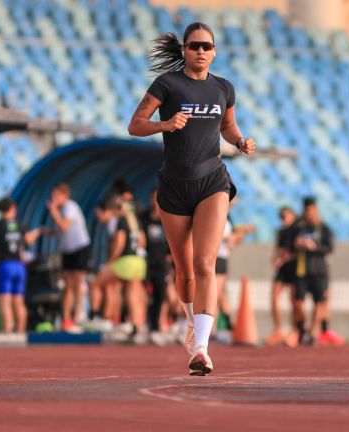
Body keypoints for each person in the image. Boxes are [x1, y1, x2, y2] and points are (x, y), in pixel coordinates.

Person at [128, 22, 255, 375]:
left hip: (212, 182)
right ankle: (190, 323)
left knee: (204, 264)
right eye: (195, 45)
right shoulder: (168, 84)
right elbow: (135, 124)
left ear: (214, 51)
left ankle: (201, 348)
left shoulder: (223, 88)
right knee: (183, 273)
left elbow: (227, 127)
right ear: (184, 49)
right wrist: (164, 125)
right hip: (173, 187)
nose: (201, 51)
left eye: (207, 46)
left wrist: (240, 141)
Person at [90, 200, 148, 343]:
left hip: (125, 262)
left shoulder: (121, 221)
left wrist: (110, 261)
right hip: (139, 262)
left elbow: (119, 243)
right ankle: (136, 327)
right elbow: (142, 242)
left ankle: (96, 317)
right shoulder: (135, 222)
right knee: (133, 295)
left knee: (96, 283)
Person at [289, 197, 344, 346]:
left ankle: (313, 333)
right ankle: (302, 329)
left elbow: (330, 248)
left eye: (311, 210)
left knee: (319, 303)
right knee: (297, 302)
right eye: (307, 211)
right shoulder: (298, 228)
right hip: (301, 271)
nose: (309, 214)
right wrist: (297, 243)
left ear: (316, 210)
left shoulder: (324, 229)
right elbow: (289, 246)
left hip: (319, 271)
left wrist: (314, 246)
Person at [0, 197, 41, 332]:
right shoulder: (20, 225)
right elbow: (29, 240)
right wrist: (37, 232)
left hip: (4, 266)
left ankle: (7, 332)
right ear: (13, 208)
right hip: (19, 267)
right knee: (19, 302)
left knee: (4, 302)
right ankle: (21, 332)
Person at [47, 183, 91, 333]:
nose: (54, 198)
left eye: (56, 195)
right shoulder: (60, 210)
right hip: (67, 250)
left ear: (65, 196)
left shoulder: (70, 207)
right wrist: (41, 232)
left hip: (80, 248)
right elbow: (58, 230)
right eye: (53, 196)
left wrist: (53, 211)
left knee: (77, 283)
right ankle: (66, 319)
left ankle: (77, 317)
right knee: (68, 286)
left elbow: (64, 226)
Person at [214, 203, 255, 343]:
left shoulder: (227, 217)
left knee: (218, 295)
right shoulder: (218, 215)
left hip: (221, 258)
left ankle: (223, 328)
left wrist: (240, 235)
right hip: (216, 258)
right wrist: (239, 234)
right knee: (215, 295)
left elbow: (230, 241)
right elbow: (225, 238)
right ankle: (215, 330)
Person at [139, 190, 171, 339]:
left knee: (160, 295)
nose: (155, 201)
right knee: (144, 295)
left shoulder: (168, 218)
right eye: (153, 198)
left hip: (162, 263)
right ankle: (141, 325)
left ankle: (156, 327)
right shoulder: (143, 218)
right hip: (145, 262)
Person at [265, 206, 297, 346]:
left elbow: (297, 251)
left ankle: (293, 331)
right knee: (274, 297)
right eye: (282, 217)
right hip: (283, 270)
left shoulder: (298, 230)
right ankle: (278, 329)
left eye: (286, 216)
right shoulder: (281, 232)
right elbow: (279, 249)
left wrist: (283, 258)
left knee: (294, 301)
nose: (284, 219)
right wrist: (276, 258)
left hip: (294, 268)